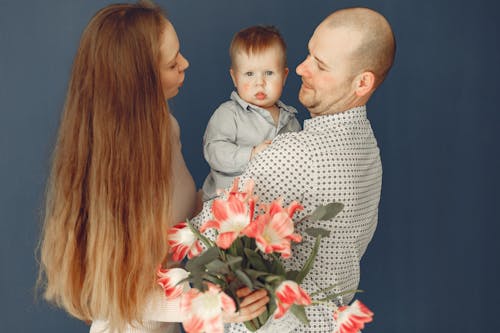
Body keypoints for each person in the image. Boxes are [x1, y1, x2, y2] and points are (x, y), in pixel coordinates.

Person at [37, 2, 268, 333]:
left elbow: (182, 216)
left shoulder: (162, 129)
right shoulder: (120, 165)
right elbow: (113, 298)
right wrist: (208, 307)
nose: (186, 64)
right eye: (173, 63)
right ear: (137, 82)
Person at [193, 7, 396, 333]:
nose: (301, 68)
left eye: (321, 64)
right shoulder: (369, 150)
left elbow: (203, 239)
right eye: (308, 54)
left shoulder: (291, 154)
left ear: (362, 82)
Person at [201, 25, 301, 201]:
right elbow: (214, 151)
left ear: (284, 76)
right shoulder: (228, 114)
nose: (260, 83)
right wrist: (251, 154)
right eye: (249, 74)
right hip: (228, 205)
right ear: (235, 78)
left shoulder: (290, 121)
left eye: (269, 73)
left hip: (271, 206)